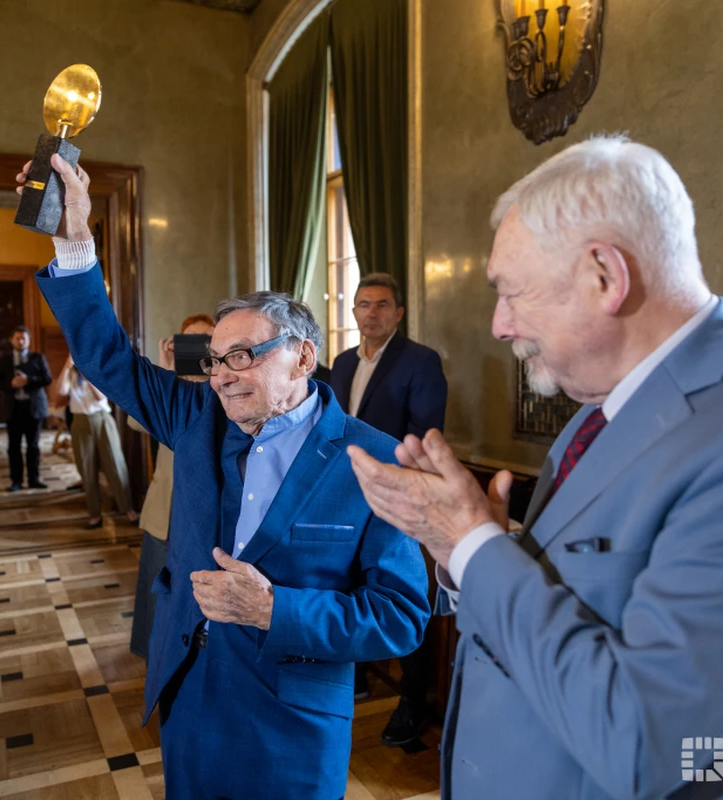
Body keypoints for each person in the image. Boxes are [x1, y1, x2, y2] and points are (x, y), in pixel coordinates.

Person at [347, 136, 723, 799]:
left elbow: (647, 741)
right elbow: (593, 586)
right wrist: (471, 547)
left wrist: (475, 549)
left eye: (512, 293)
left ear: (605, 274)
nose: (499, 324)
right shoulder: (596, 412)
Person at [23, 154, 430, 800]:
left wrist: (275, 610)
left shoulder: (371, 459)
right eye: (214, 360)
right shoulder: (196, 417)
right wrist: (75, 240)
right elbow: (104, 355)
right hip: (191, 699)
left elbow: (401, 618)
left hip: (291, 727)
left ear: (302, 357)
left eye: (242, 356)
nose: (221, 375)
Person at [329, 272, 448, 745]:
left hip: (399, 497)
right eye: (363, 304)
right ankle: (353, 676)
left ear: (398, 313)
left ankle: (412, 703)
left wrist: (381, 478)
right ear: (354, 312)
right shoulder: (339, 363)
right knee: (344, 585)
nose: (371, 312)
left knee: (401, 595)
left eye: (381, 304)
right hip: (342, 492)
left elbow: (422, 436)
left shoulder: (421, 361)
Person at [127, 313, 214, 660]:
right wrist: (167, 374)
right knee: (154, 583)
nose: (195, 350)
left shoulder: (225, 386)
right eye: (187, 342)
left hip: (205, 509)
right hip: (164, 506)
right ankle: (151, 652)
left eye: (204, 342)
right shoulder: (171, 386)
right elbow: (136, 421)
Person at [55, 356, 138, 529]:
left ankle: (129, 510)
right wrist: (67, 364)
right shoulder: (70, 372)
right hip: (79, 422)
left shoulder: (98, 366)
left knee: (115, 464)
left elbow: (101, 398)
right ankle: (94, 515)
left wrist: (89, 377)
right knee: (86, 469)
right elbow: (61, 391)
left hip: (102, 420)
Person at [0, 325, 51, 491]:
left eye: (24, 338)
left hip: (33, 407)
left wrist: (29, 380)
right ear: (12, 340)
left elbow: (47, 379)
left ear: (29, 340)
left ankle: (34, 478)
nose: (21, 341)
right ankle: (16, 481)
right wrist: (11, 384)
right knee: (14, 446)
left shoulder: (38, 358)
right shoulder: (4, 360)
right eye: (17, 338)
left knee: (33, 445)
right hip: (13, 408)